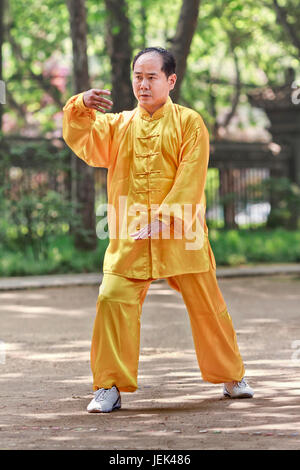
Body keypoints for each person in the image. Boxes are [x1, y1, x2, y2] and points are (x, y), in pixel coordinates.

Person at [62, 47, 254, 413]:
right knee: (111, 298)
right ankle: (109, 386)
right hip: (131, 236)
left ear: (170, 80)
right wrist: (81, 105)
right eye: (138, 76)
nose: (143, 84)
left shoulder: (189, 123)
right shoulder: (118, 126)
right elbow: (84, 136)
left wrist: (165, 217)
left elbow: (192, 175)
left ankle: (232, 376)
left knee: (208, 305)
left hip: (182, 233)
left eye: (151, 77)